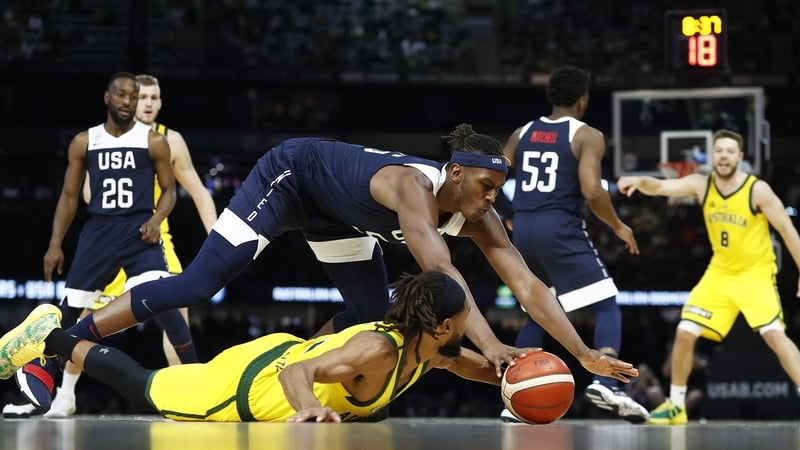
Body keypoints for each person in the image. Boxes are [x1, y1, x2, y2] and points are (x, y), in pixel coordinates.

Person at [13, 123, 642, 412]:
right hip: (290, 179)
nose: (490, 198)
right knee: (201, 283)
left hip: (339, 220)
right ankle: (63, 340)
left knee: (377, 326)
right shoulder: (414, 190)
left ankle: (296, 367)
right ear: (455, 174)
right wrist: (494, 345)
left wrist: (583, 354)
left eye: (495, 190)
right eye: (482, 186)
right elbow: (444, 279)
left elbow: (531, 286)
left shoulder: (479, 214)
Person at [5, 271, 497, 422]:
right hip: (253, 385)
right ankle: (49, 338)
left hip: (284, 347)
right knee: (143, 387)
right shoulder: (381, 351)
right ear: (441, 325)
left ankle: (53, 337)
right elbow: (295, 377)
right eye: (465, 319)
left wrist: (510, 372)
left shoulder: (431, 348)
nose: (470, 326)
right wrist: (308, 410)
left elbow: (465, 366)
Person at [15, 74, 220, 419]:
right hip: (105, 235)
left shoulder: (167, 140)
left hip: (152, 235)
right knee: (80, 314)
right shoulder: (94, 139)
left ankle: (191, 387)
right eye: (143, 97)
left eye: (154, 96)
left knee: (174, 308)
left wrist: (217, 241)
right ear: (119, 100)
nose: (148, 103)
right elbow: (80, 193)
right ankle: (64, 393)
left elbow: (197, 192)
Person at [617, 129, 800, 425]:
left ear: (740, 157)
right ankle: (676, 406)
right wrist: (639, 181)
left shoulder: (757, 190)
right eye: (719, 151)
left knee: (776, 337)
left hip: (755, 275)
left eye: (730, 151)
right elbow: (662, 187)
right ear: (712, 155)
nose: (724, 156)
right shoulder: (702, 184)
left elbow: (788, 231)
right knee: (685, 332)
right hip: (720, 274)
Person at [498, 65, 649, 423]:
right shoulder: (587, 135)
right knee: (607, 306)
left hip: (523, 231)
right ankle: (605, 382)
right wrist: (617, 226)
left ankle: (515, 393)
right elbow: (592, 190)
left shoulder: (524, 132)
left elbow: (494, 171)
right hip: (559, 229)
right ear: (583, 100)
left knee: (540, 308)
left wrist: (508, 212)